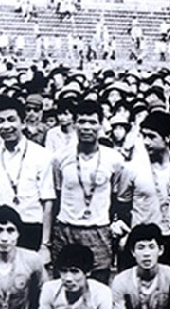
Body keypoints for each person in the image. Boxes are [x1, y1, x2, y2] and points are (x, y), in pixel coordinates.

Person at [51, 100, 124, 284]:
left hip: (98, 230)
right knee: (65, 284)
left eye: (92, 122)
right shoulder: (60, 157)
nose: (86, 127)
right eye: (82, 121)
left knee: (98, 284)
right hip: (66, 228)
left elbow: (115, 196)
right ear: (74, 124)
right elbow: (57, 194)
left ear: (100, 125)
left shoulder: (114, 159)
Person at [116, 110, 170, 269]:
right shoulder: (132, 168)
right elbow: (123, 205)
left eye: (152, 137)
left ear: (167, 138)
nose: (146, 142)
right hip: (142, 238)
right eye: (144, 136)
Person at [0, 96, 55, 258]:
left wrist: (45, 244)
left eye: (11, 120)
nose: (6, 126)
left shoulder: (42, 155)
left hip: (31, 229)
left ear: (23, 122)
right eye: (0, 121)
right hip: (0, 231)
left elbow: (48, 202)